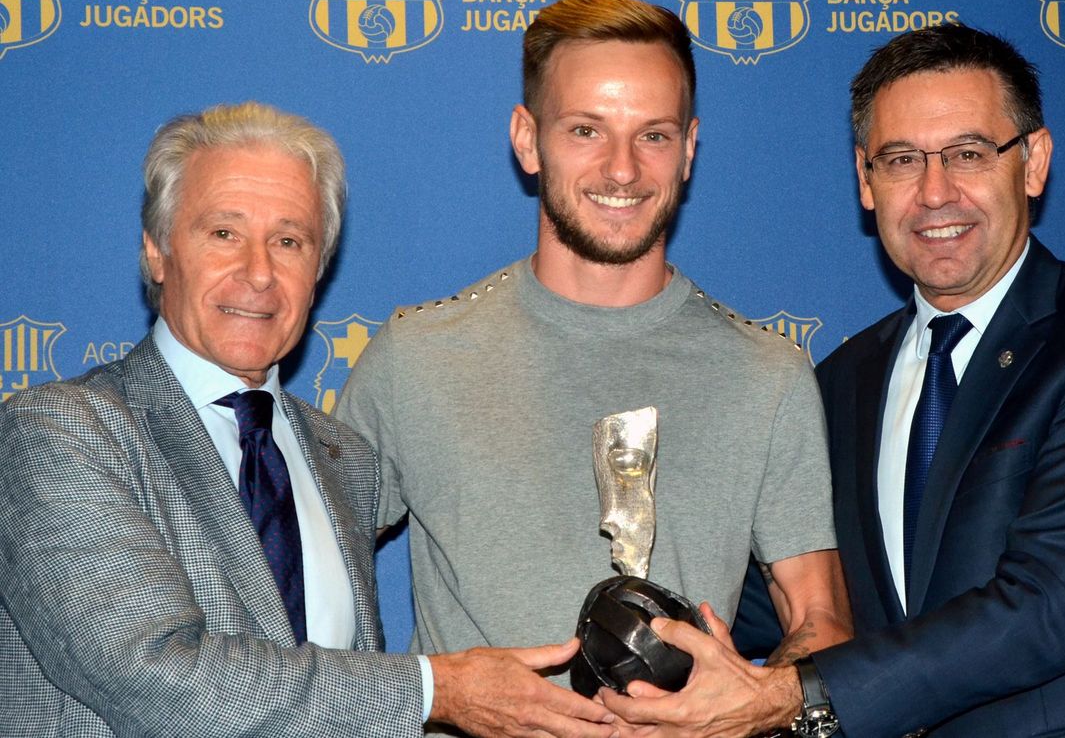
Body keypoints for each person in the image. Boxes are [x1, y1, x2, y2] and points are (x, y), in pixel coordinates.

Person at [601, 23, 1065, 737]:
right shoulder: (840, 382)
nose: (935, 193)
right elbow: (775, 589)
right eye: (902, 160)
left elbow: (1049, 606)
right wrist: (621, 633)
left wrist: (792, 695)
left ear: (1033, 162)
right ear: (866, 180)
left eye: (969, 154)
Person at [0, 101, 615, 738]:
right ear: (157, 252)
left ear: (318, 271)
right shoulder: (59, 433)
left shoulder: (344, 458)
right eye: (224, 234)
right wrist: (437, 689)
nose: (259, 273)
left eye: (289, 242)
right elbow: (156, 679)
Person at [335, 0, 852, 735]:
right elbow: (292, 589)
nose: (622, 168)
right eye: (586, 130)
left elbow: (821, 620)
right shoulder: (414, 359)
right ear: (528, 140)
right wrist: (436, 691)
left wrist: (748, 704)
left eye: (654, 135)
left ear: (690, 148)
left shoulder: (767, 375)